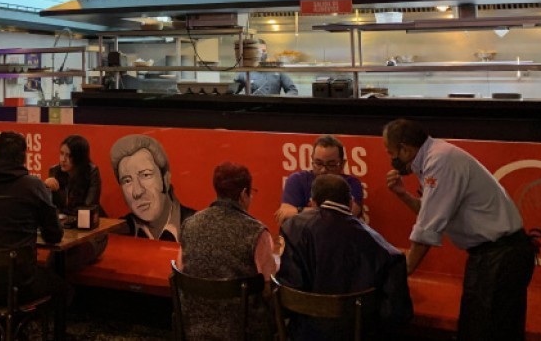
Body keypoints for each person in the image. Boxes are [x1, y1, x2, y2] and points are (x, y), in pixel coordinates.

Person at [383, 119, 537, 341]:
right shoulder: (434, 157)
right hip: (496, 255)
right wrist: (402, 194)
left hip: (500, 256)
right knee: (483, 328)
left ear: (405, 149)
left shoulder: (440, 161)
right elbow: (433, 211)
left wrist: (402, 272)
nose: (392, 160)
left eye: (391, 153)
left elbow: (428, 227)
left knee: (485, 331)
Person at [278, 174, 412, 340]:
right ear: (350, 203)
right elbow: (396, 314)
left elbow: (288, 292)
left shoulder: (293, 227)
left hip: (306, 334)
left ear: (313, 203)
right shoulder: (382, 247)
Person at [178, 162, 278, 340]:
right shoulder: (256, 232)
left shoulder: (189, 224)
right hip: (243, 331)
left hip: (194, 326)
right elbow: (268, 289)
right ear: (243, 195)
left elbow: (183, 270)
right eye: (251, 193)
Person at [0, 131, 65, 308]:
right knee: (64, 289)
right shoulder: (33, 186)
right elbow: (54, 235)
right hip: (22, 284)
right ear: (23, 157)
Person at [110, 133, 196, 241]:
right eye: (127, 181)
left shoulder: (198, 228)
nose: (137, 192)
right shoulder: (120, 232)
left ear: (166, 179)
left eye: (146, 175)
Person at [45, 134, 106, 270]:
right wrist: (46, 190)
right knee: (53, 261)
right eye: (61, 154)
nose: (63, 159)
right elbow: (49, 209)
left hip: (90, 234)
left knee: (63, 263)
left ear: (79, 158)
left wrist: (58, 193)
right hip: (64, 234)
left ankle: (64, 291)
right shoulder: (54, 171)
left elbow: (87, 209)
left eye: (69, 156)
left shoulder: (91, 172)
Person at [275, 135, 362, 224]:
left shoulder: (351, 184)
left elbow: (347, 217)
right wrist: (328, 212)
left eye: (331, 165)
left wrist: (299, 211)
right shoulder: (297, 180)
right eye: (319, 163)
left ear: (342, 164)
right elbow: (285, 215)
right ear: (312, 160)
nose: (323, 170)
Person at [233, 71, 298, 96]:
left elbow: (292, 90)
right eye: (260, 51)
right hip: (251, 108)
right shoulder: (245, 72)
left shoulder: (277, 71)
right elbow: (233, 92)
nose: (262, 53)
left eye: (264, 51)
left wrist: (282, 100)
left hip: (274, 108)